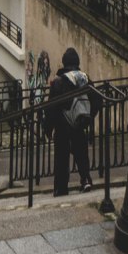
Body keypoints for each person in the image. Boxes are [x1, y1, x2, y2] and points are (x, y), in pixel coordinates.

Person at [45, 47, 94, 196]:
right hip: (79, 123)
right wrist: (89, 116)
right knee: (81, 152)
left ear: (64, 62)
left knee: (62, 157)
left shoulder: (59, 82)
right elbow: (96, 99)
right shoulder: (85, 79)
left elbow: (51, 107)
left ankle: (61, 188)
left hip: (62, 124)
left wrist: (48, 128)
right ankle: (85, 179)